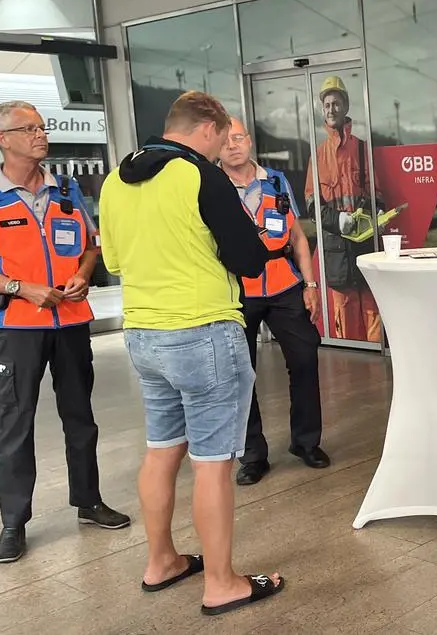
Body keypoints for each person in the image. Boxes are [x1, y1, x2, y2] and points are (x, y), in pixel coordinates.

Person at [99, 91, 284, 615]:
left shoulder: (115, 180)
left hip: (143, 335)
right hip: (203, 333)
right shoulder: (199, 175)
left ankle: (161, 562)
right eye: (223, 137)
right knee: (212, 463)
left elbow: (112, 259)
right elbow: (249, 257)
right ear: (207, 128)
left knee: (162, 449)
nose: (224, 146)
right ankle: (222, 582)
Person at [0, 100, 130, 564]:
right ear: (2, 139)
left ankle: (88, 501)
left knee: (80, 416)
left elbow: (91, 245)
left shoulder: (67, 190)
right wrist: (19, 287)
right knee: (16, 422)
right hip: (16, 326)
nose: (40, 134)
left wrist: (85, 273)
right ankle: (14, 523)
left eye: (41, 126)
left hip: (71, 321)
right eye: (27, 128)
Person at [219, 118, 330, 486]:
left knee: (304, 360)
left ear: (249, 141)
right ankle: (252, 455)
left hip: (284, 286)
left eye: (239, 137)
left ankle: (306, 442)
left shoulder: (276, 181)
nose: (233, 145)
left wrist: (310, 284)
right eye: (226, 140)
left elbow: (298, 237)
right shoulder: (211, 187)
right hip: (237, 293)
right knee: (241, 374)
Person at [307, 75, 385, 344]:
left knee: (373, 316)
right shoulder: (317, 156)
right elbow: (312, 204)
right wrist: (339, 220)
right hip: (337, 255)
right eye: (327, 104)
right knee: (345, 320)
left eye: (336, 103)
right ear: (323, 109)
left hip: (364, 249)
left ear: (346, 106)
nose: (331, 108)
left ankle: (377, 372)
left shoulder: (363, 150)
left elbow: (377, 195)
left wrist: (370, 216)